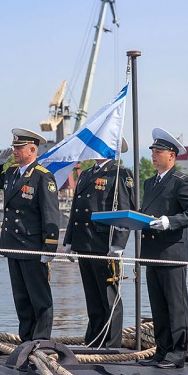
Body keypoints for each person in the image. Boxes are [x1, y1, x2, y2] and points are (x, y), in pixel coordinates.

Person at [138, 127, 188, 369]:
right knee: (158, 305)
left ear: (172, 156)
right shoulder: (149, 183)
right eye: (153, 150)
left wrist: (170, 221)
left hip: (172, 252)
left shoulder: (181, 181)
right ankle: (162, 350)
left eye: (159, 151)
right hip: (152, 253)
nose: (154, 155)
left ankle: (177, 353)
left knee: (176, 304)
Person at [0, 128, 60, 341]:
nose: (14, 151)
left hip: (33, 246)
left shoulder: (42, 177)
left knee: (40, 298)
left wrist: (50, 248)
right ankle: (26, 338)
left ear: (32, 149)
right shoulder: (10, 173)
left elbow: (50, 215)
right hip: (13, 245)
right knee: (21, 298)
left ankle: (41, 340)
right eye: (14, 147)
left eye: (19, 148)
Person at [63, 138, 136, 348]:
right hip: (84, 243)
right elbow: (76, 210)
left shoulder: (120, 173)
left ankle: (111, 344)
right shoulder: (87, 174)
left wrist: (118, 245)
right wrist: (69, 241)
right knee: (93, 297)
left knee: (109, 297)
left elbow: (125, 210)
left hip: (105, 244)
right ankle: (94, 339)